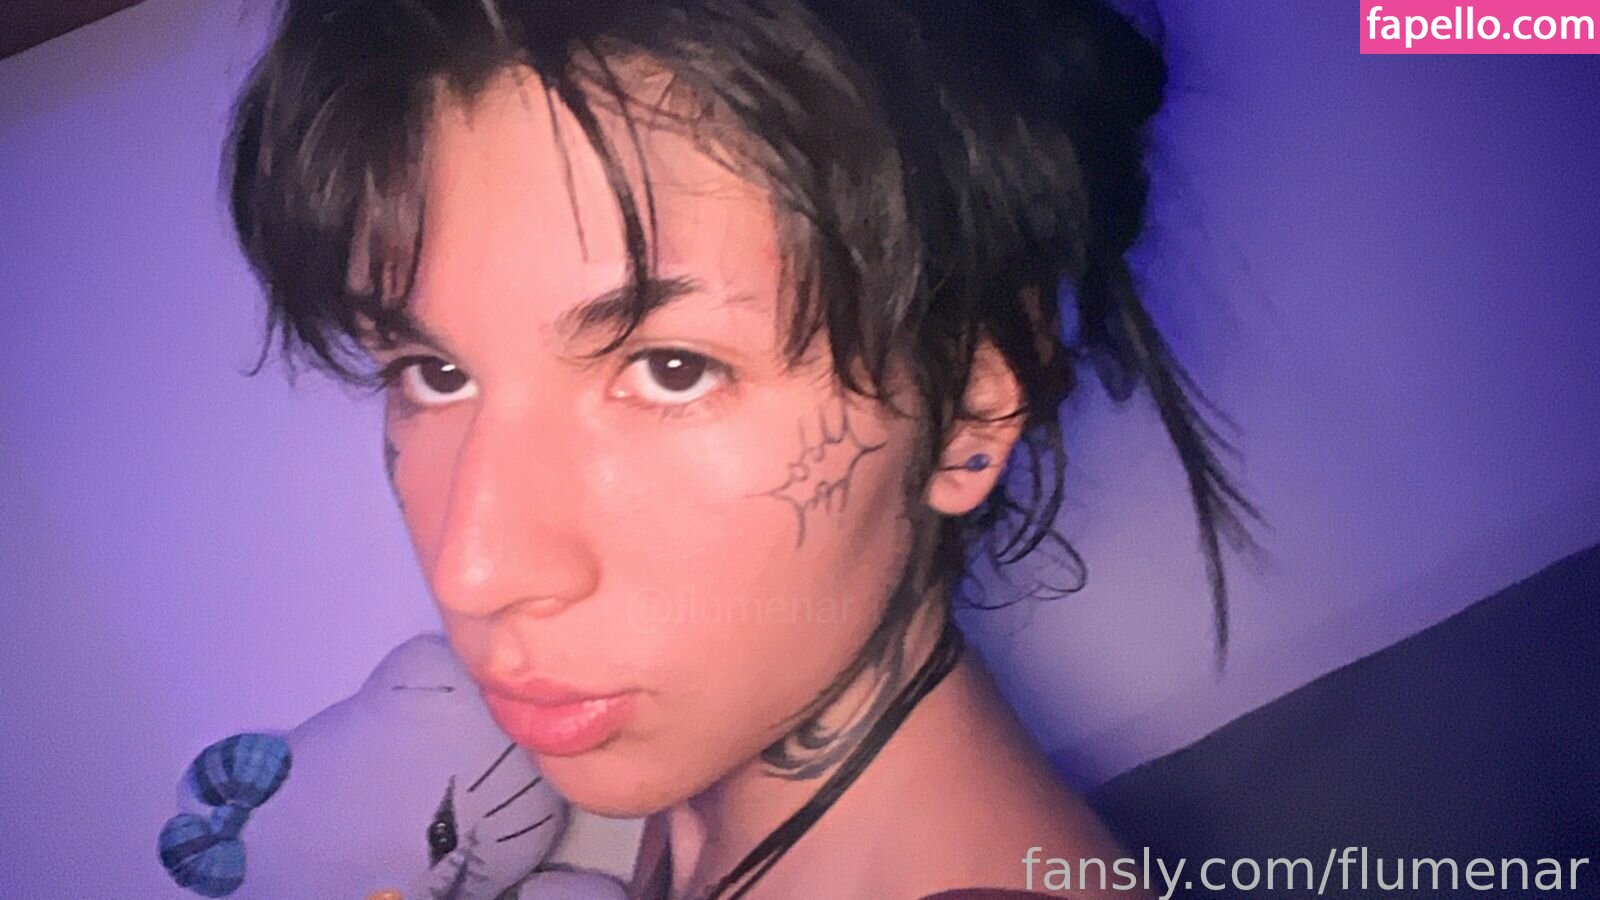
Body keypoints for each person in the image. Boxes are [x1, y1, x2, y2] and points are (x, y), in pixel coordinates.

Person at [224, 1, 1261, 897]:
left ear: (969, 410)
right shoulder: (710, 794)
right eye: (434, 371)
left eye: (672, 368)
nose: (474, 570)